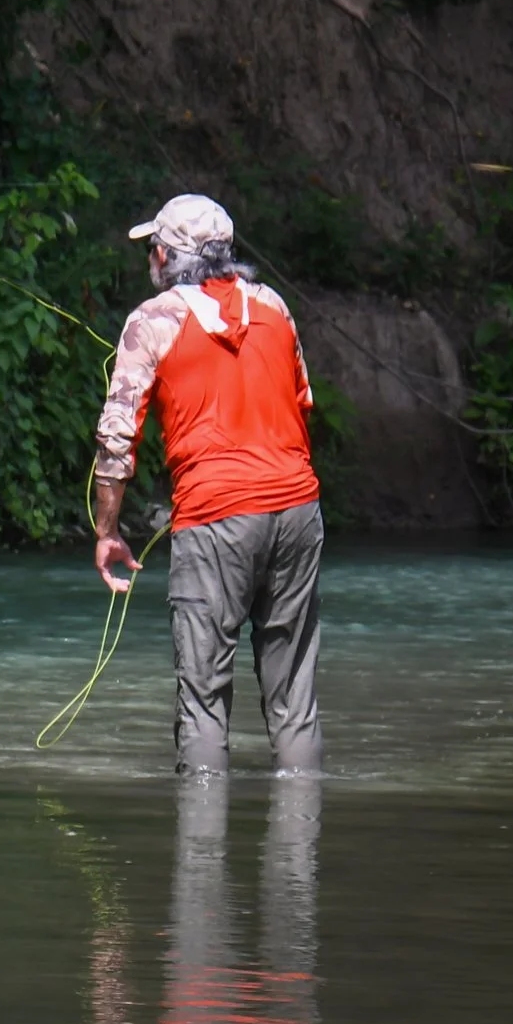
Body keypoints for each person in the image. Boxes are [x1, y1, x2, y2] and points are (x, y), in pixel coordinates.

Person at [91, 194, 325, 775]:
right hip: (299, 508)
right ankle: (298, 860)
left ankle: (202, 862)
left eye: (153, 249)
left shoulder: (153, 321)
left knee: (202, 704)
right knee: (294, 701)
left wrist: (107, 529)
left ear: (166, 255)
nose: (151, 258)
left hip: (215, 517)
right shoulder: (274, 306)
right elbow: (304, 402)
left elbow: (116, 439)